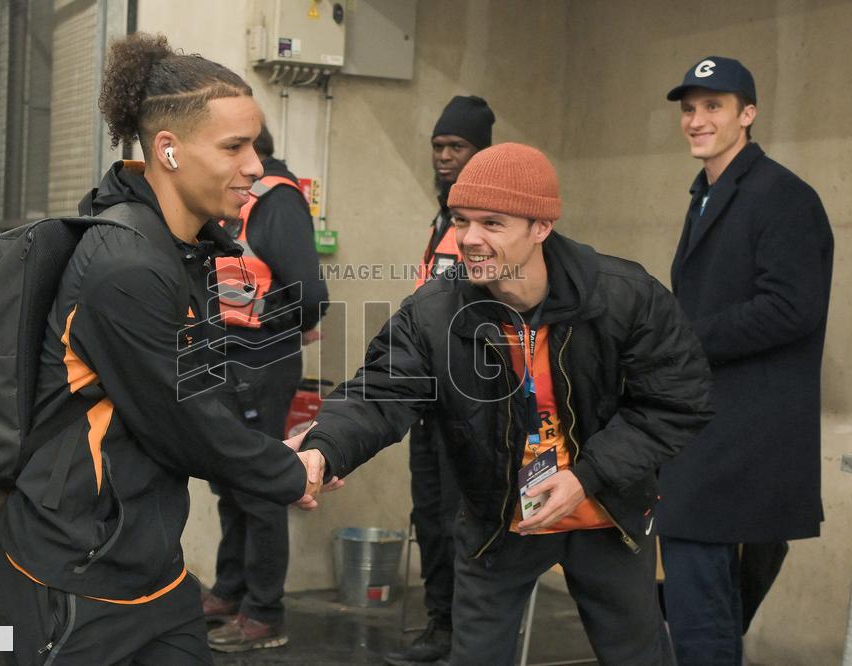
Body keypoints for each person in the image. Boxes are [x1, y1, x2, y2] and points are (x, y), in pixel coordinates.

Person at [300, 143, 714, 665]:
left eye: (492, 223)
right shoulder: (433, 313)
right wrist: (324, 447)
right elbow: (380, 390)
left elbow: (679, 402)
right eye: (461, 220)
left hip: (609, 514)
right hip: (498, 518)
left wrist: (588, 475)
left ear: (540, 227)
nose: (469, 239)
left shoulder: (625, 296)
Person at [0, 33, 331, 665]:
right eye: (234, 146)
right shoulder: (126, 265)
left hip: (151, 565)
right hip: (77, 571)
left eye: (254, 144)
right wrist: (286, 471)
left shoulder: (183, 247)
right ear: (168, 150)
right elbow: (184, 421)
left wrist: (267, 456)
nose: (256, 165)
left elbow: (198, 392)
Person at [658, 55, 833, 666]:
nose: (696, 120)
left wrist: (682, 340)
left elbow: (792, 307)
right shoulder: (706, 195)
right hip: (709, 430)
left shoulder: (782, 196)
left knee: (698, 603)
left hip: (743, 434)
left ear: (747, 115)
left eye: (713, 106)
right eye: (689, 109)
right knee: (701, 603)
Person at [203, 125, 329, 652]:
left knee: (259, 486)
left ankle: (265, 611)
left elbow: (309, 295)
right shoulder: (235, 201)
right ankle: (231, 591)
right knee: (229, 483)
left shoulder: (276, 200)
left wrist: (262, 319)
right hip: (230, 361)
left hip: (260, 362)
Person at [388, 94, 495, 666]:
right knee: (428, 513)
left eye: (458, 146)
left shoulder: (495, 224)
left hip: (472, 401)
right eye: (439, 147)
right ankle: (439, 623)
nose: (446, 157)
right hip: (428, 397)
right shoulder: (441, 221)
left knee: (461, 516)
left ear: (482, 150)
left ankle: (464, 635)